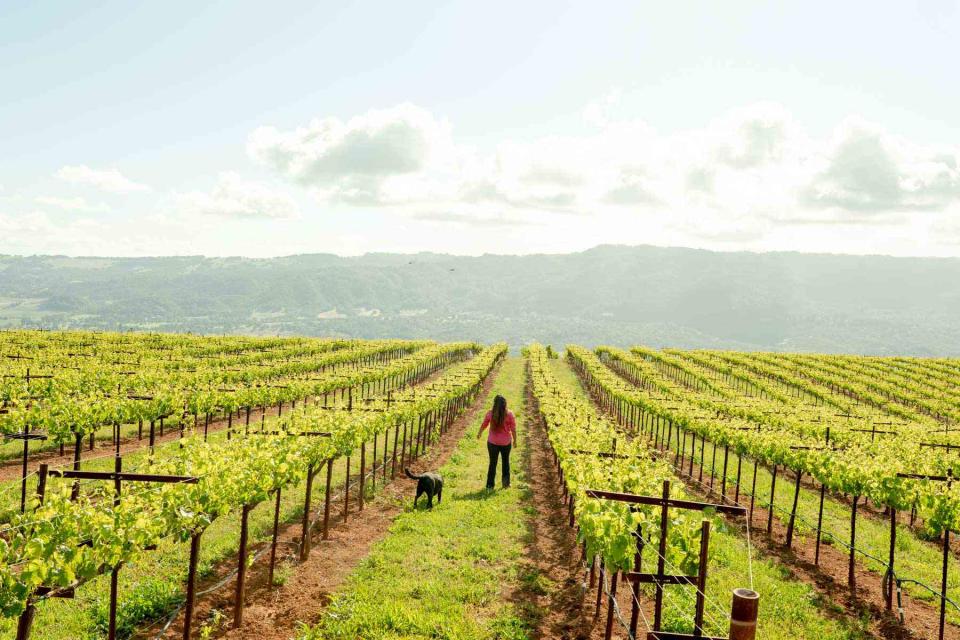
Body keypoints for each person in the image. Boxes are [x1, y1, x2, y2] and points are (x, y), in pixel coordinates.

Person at [477, 394, 517, 489]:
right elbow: (514, 429)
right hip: (505, 443)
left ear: (494, 404)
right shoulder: (510, 414)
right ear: (505, 404)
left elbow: (484, 424)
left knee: (492, 463)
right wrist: (515, 440)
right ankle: (506, 484)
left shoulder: (490, 413)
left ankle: (490, 485)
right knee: (505, 462)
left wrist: (479, 433)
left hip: (492, 443)